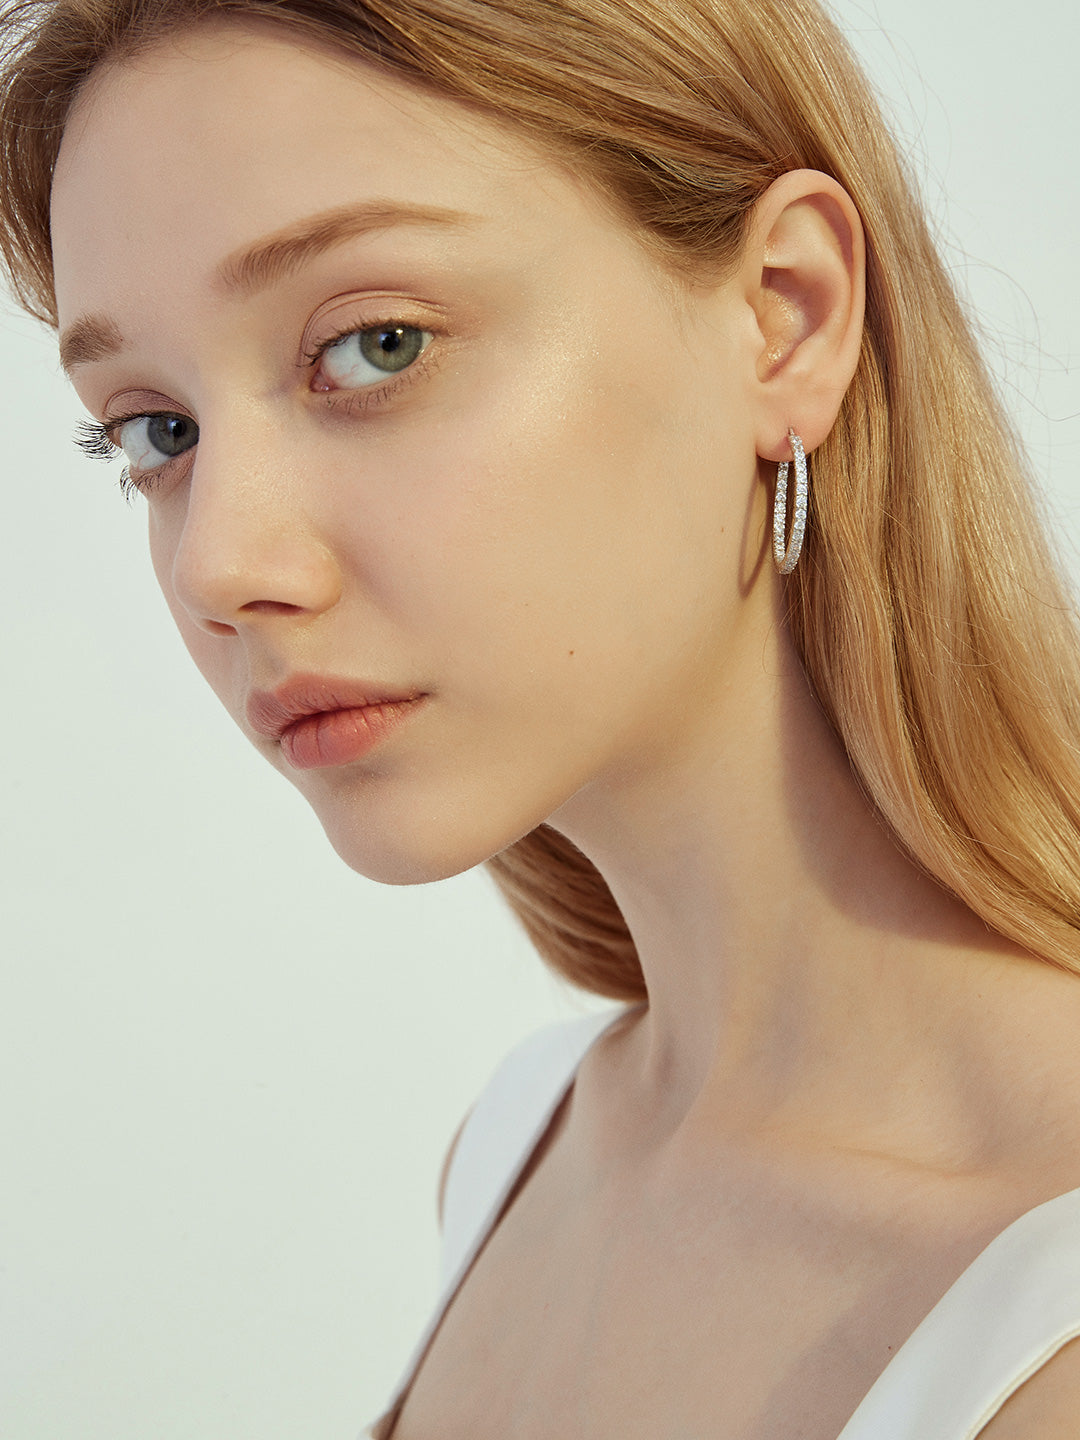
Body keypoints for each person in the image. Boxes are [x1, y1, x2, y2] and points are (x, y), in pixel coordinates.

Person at [1, 1, 1079, 1436]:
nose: (219, 568)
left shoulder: (1041, 1296)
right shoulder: (522, 1146)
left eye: (377, 344)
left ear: (785, 316)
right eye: (157, 431)